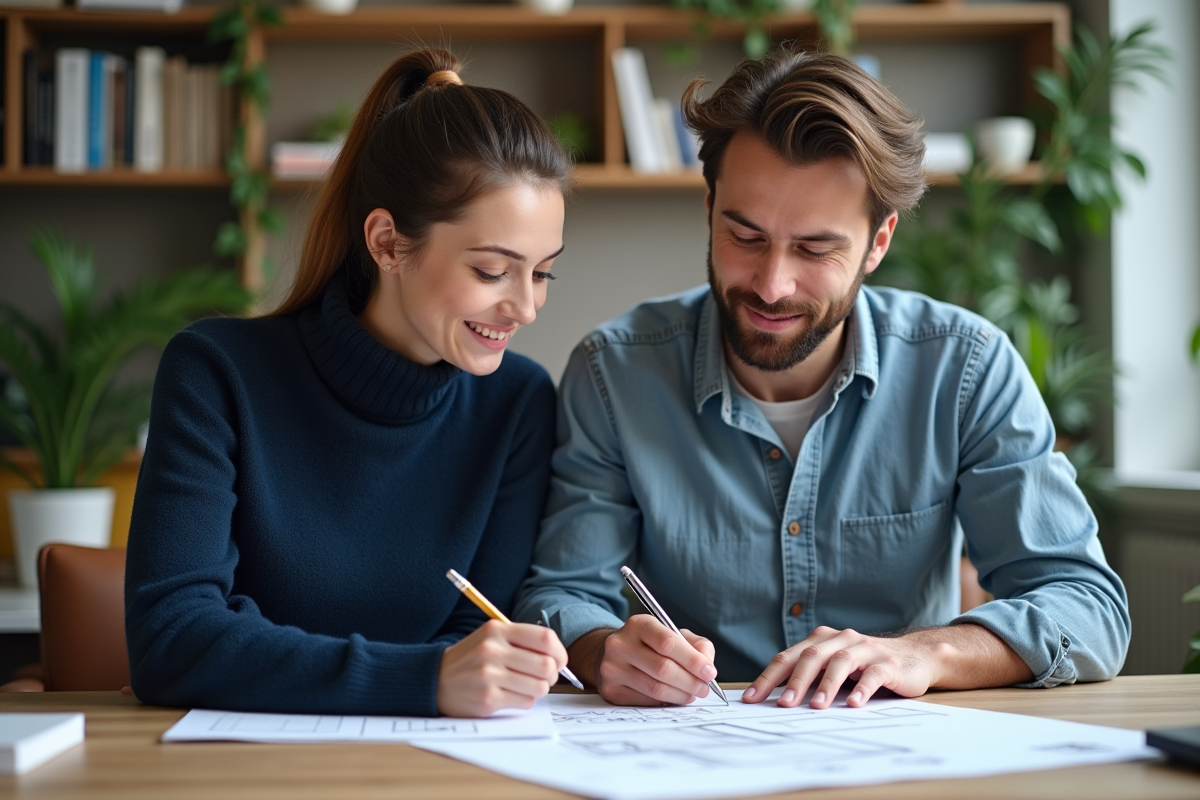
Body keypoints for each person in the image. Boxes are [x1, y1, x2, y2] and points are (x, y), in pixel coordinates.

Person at [514, 48, 1129, 710]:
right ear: (710, 207)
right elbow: (563, 595)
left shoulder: (966, 368)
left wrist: (923, 651)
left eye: (815, 249)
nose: (772, 285)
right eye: (745, 236)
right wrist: (608, 651)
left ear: (878, 242)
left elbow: (1088, 608)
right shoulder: (615, 373)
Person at [125, 48, 572, 718]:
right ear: (388, 241)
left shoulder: (519, 403)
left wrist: (449, 671)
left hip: (440, 768)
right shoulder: (216, 372)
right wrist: (422, 679)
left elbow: (474, 639)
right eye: (491, 271)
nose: (526, 307)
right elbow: (172, 639)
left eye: (542, 272)